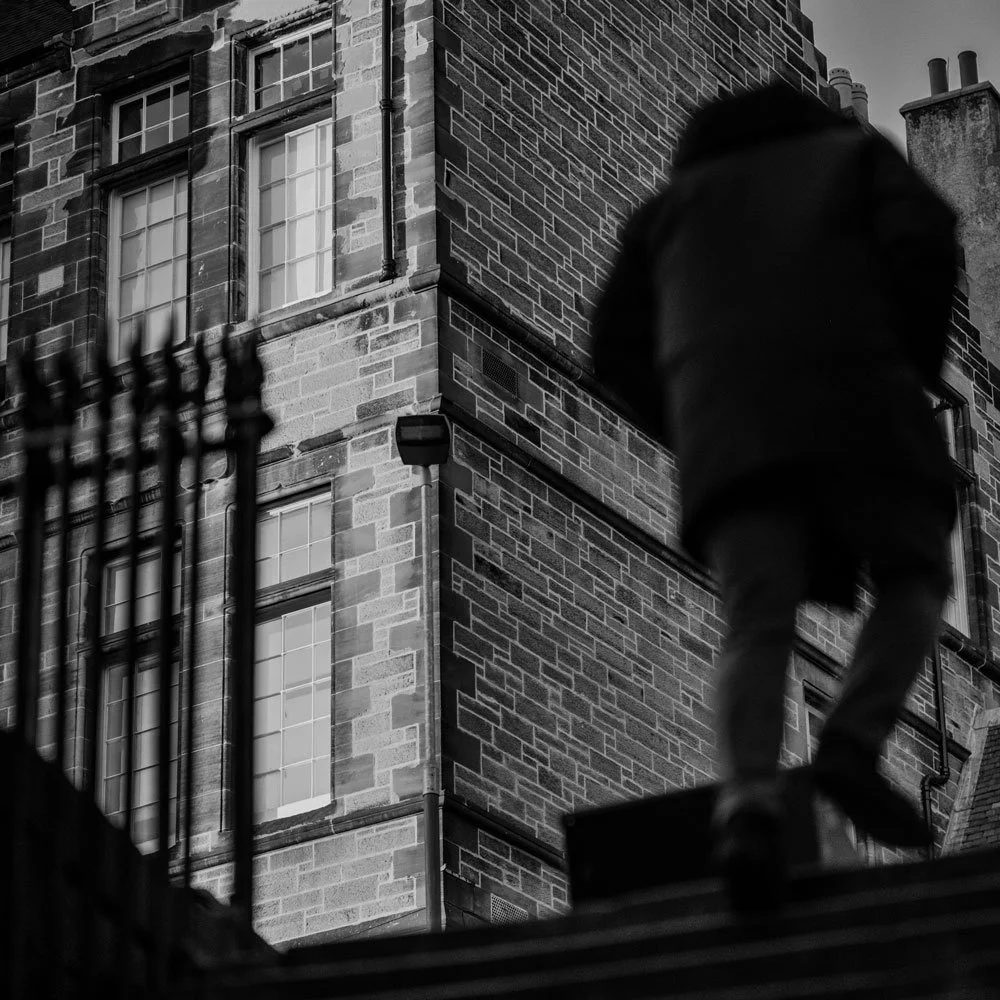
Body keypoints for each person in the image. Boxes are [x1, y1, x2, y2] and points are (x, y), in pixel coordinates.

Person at [590, 81, 959, 911]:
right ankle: (852, 743)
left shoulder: (664, 213)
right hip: (856, 402)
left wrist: (692, 425)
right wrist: (907, 362)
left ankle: (748, 808)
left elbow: (610, 347)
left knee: (755, 620)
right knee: (917, 573)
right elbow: (928, 238)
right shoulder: (852, 158)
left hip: (733, 437)